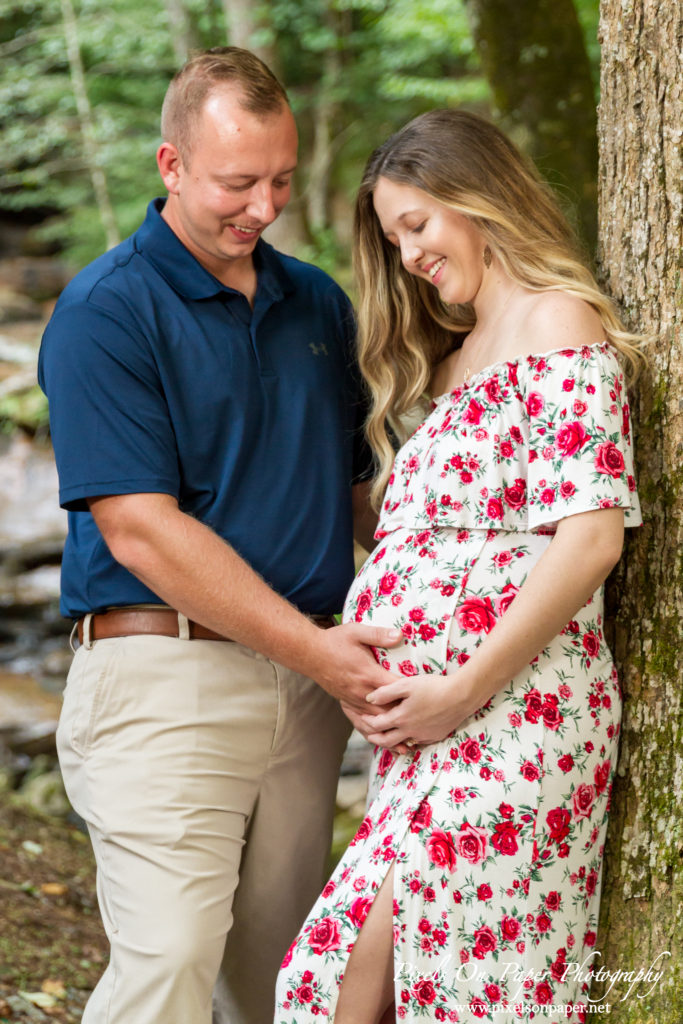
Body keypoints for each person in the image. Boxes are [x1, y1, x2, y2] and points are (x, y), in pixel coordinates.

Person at [38, 47, 403, 1024]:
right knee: (169, 959)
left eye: (279, 179)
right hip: (165, 675)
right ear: (170, 166)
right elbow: (142, 532)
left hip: (306, 687)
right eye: (237, 182)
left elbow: (363, 492)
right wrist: (322, 653)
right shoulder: (105, 313)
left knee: (277, 979)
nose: (264, 205)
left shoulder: (316, 303)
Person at [275, 109, 643, 1024]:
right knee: (321, 983)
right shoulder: (448, 360)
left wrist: (464, 685)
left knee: (457, 991)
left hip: (519, 709)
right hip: (427, 734)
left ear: (478, 200)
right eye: (394, 236)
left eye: (418, 225)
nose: (407, 255)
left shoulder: (557, 319)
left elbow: (590, 539)